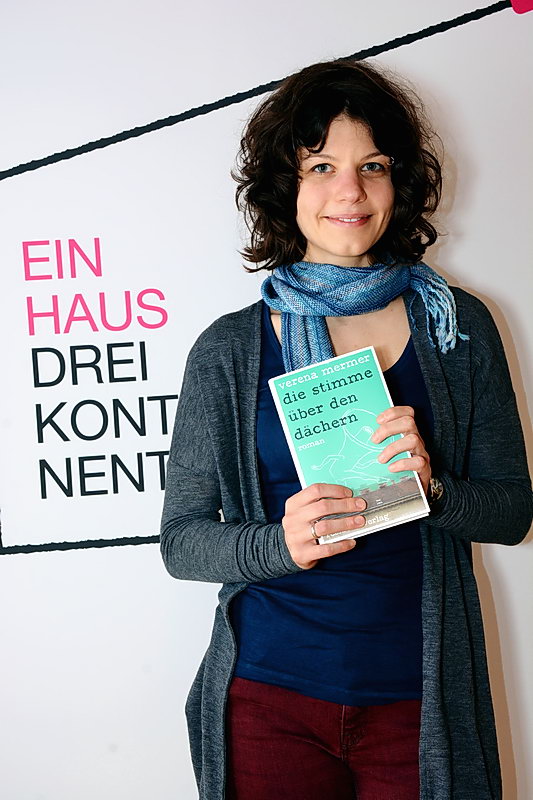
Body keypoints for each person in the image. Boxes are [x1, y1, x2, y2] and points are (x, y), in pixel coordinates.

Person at [160, 59, 532, 800]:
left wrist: (433, 486)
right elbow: (182, 540)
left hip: (417, 698)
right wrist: (279, 543)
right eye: (321, 166)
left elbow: (511, 512)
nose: (350, 191)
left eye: (373, 166)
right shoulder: (229, 350)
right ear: (284, 186)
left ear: (400, 182)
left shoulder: (456, 326)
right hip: (267, 699)